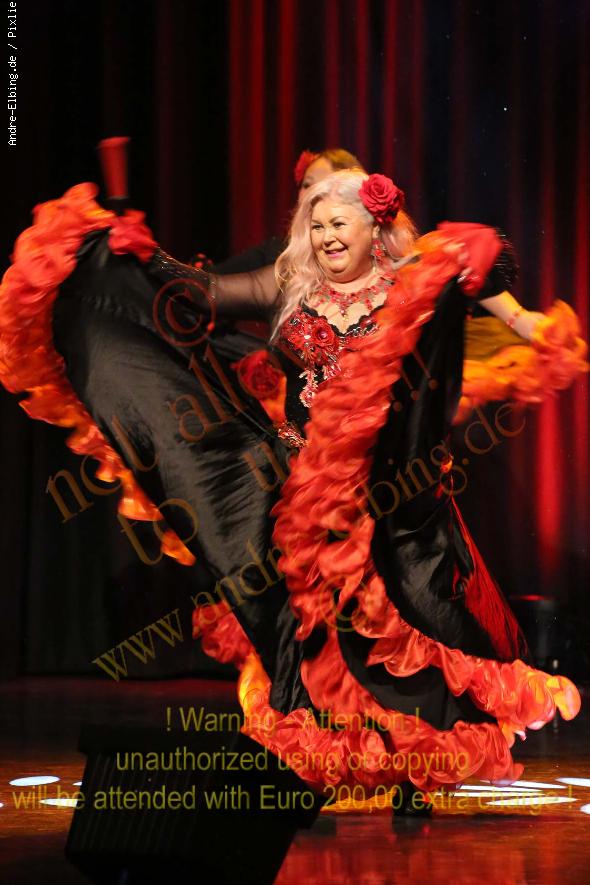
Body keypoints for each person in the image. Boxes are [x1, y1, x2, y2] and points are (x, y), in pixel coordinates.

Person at [0, 169, 586, 815]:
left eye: (339, 223)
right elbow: (203, 292)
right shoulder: (289, 286)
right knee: (304, 630)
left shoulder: (407, 285)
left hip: (385, 494)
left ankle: (413, 765)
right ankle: (308, 762)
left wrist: (514, 301)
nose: (327, 235)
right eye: (317, 224)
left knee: (388, 632)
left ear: (374, 228)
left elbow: (481, 275)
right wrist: (147, 255)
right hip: (299, 488)